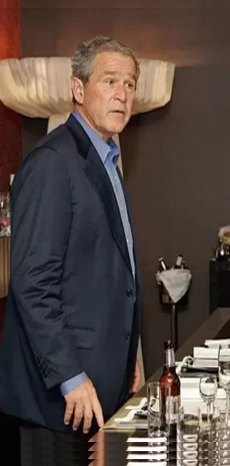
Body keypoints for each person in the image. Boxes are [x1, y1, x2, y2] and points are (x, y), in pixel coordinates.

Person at [0, 36, 142, 466]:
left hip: (101, 387)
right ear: (78, 89)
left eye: (130, 84)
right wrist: (69, 376)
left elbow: (112, 271)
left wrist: (129, 357)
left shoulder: (106, 158)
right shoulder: (52, 161)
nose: (122, 94)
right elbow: (32, 283)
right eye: (110, 81)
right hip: (60, 400)